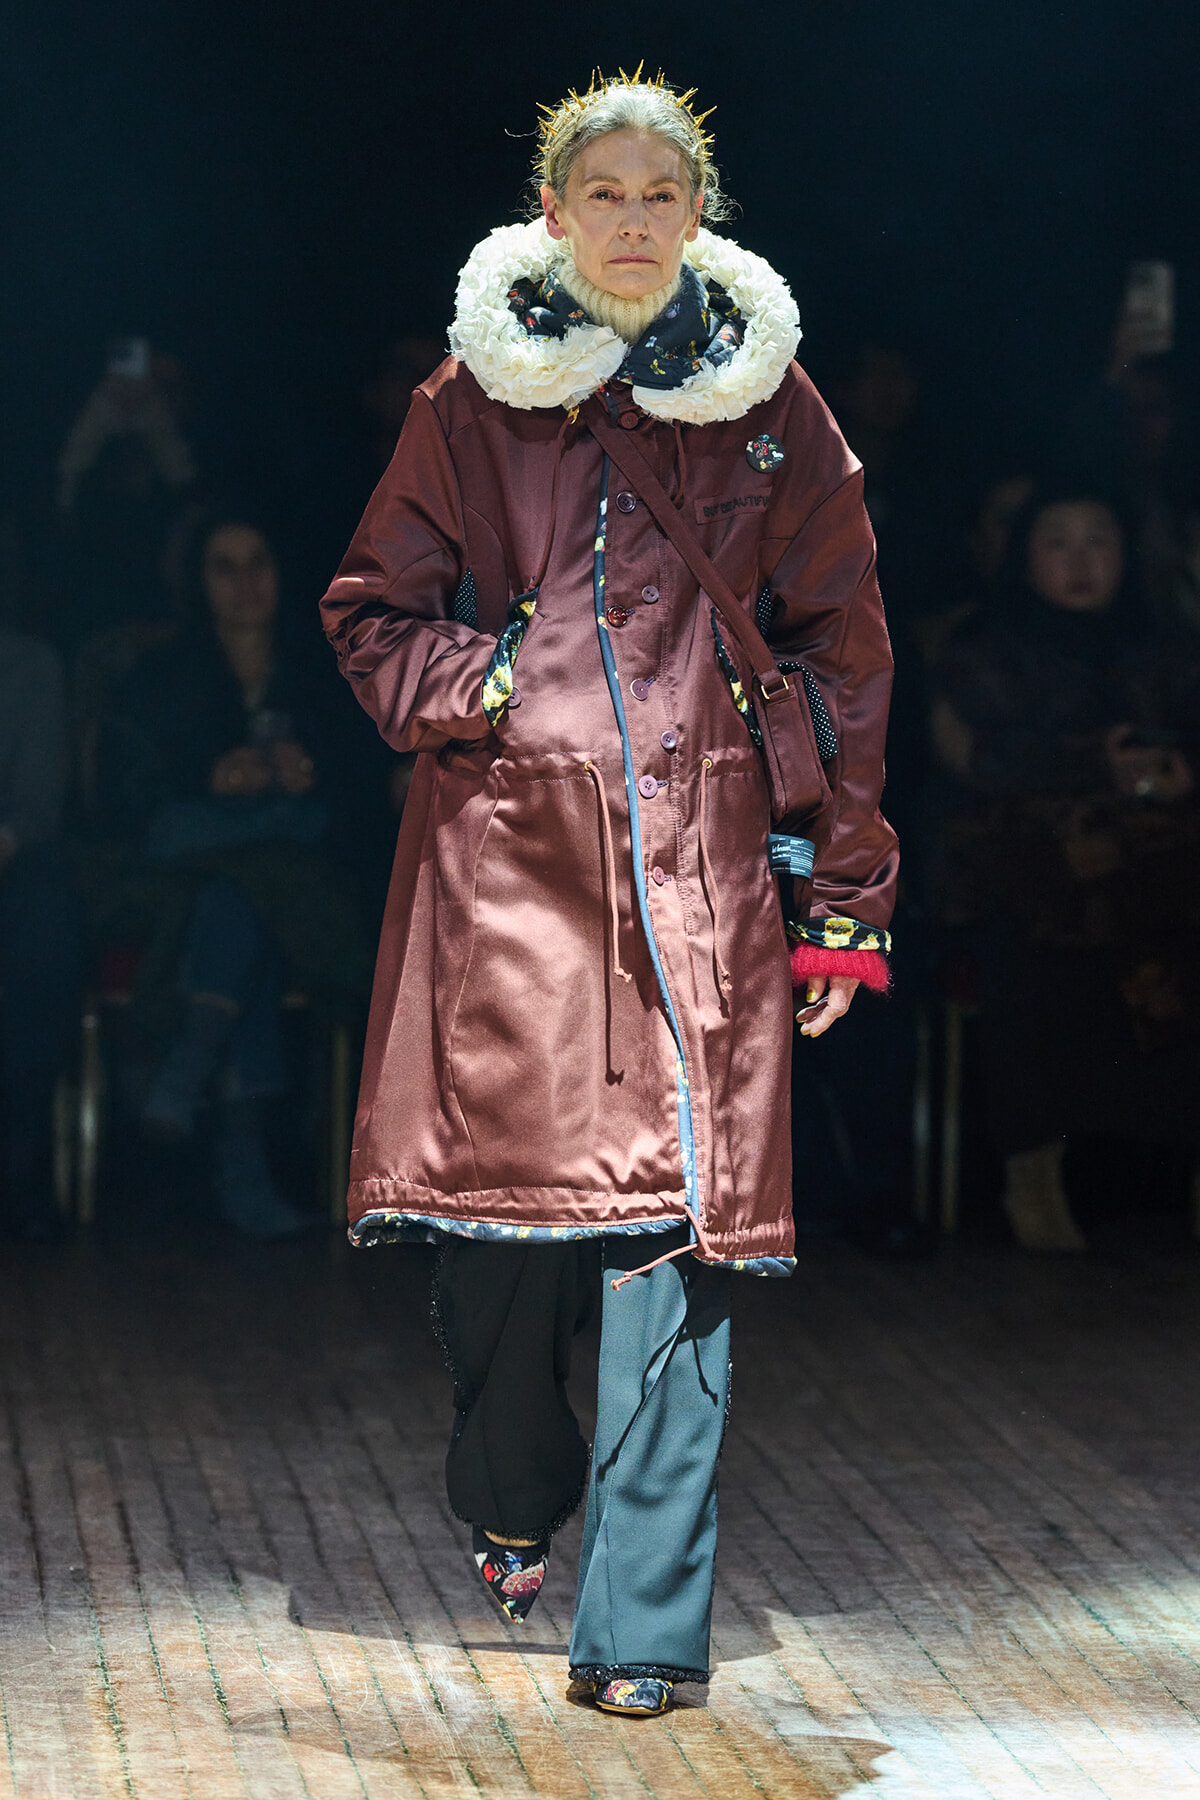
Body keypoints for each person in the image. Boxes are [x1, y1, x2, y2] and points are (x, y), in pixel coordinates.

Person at [321, 72, 897, 1717]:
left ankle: (643, 1631)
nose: (635, 221)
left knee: (677, 1234)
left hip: (702, 872)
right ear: (555, 211)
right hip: (512, 869)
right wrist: (488, 682)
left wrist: (846, 893)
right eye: (606, 194)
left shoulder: (769, 397)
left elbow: (843, 647)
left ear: (698, 214)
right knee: (502, 1241)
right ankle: (512, 1483)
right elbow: (369, 611)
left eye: (662, 195)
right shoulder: (470, 397)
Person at [931, 486, 1200, 1250]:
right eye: (1059, 542)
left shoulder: (1168, 650)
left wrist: (1177, 774)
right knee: (1047, 924)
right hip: (1035, 872)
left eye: (1099, 541)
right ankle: (1035, 1172)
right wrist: (1089, 766)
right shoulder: (983, 654)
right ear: (1024, 556)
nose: (1081, 562)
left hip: (1157, 867)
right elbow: (968, 765)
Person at [97, 512, 371, 1237]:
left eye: (258, 563)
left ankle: (190, 1067)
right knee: (246, 884)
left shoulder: (322, 671)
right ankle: (241, 1169)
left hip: (274, 875)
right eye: (225, 566)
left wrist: (310, 771)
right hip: (188, 869)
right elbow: (130, 801)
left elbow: (358, 790)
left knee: (247, 894)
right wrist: (213, 777)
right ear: (199, 579)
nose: (245, 583)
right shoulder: (163, 674)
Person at [0, 629, 85, 1241]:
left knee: (45, 932)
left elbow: (37, 806)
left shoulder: (26, 665)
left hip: (16, 869)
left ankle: (22, 1171)